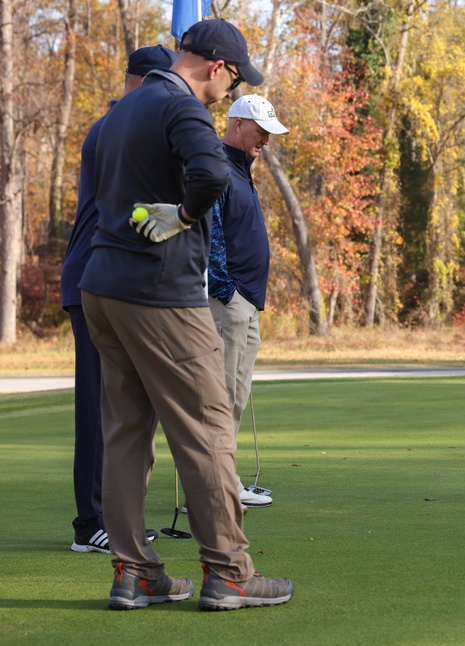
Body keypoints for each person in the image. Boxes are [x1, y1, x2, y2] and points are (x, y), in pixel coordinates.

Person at [79, 19, 293, 611]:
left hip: (103, 286)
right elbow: (208, 174)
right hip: (160, 294)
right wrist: (187, 215)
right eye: (234, 79)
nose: (229, 92)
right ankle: (229, 573)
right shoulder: (185, 107)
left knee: (126, 434)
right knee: (206, 429)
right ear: (218, 67)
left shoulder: (125, 106)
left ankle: (134, 572)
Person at [61, 45, 177, 554]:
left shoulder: (127, 122)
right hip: (94, 278)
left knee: (120, 406)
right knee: (98, 405)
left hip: (110, 280)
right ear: (141, 81)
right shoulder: (115, 126)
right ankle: (92, 524)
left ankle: (116, 518)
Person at [207, 94, 290, 509]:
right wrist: (227, 291)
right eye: (261, 132)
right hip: (230, 301)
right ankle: (214, 489)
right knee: (221, 396)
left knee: (236, 396)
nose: (266, 142)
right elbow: (211, 237)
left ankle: (223, 481)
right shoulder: (220, 168)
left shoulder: (241, 169)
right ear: (238, 124)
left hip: (245, 302)